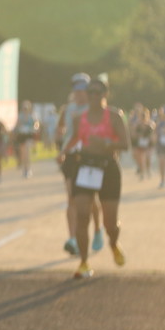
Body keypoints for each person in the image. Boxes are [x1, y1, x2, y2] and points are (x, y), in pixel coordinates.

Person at [59, 78, 128, 278]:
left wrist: (107, 143)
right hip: (85, 166)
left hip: (108, 168)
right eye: (91, 92)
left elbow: (125, 144)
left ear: (105, 94)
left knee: (110, 223)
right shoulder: (78, 118)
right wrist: (63, 152)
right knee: (82, 215)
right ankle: (83, 262)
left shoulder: (114, 116)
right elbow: (74, 138)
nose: (94, 96)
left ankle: (113, 243)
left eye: (98, 92)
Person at [13, 100, 39, 178]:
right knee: (23, 154)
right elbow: (17, 125)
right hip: (22, 136)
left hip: (29, 135)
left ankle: (28, 169)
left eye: (26, 108)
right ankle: (24, 169)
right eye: (24, 108)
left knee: (27, 153)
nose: (25, 109)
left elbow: (36, 124)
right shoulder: (20, 116)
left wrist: (34, 128)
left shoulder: (32, 116)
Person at [129, 104, 155, 181]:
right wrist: (138, 135)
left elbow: (153, 135)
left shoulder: (151, 124)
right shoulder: (136, 124)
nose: (143, 118)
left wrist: (150, 138)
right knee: (139, 158)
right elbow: (133, 134)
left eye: (145, 116)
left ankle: (148, 169)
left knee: (148, 157)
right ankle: (142, 173)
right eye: (142, 116)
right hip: (139, 143)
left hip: (148, 144)